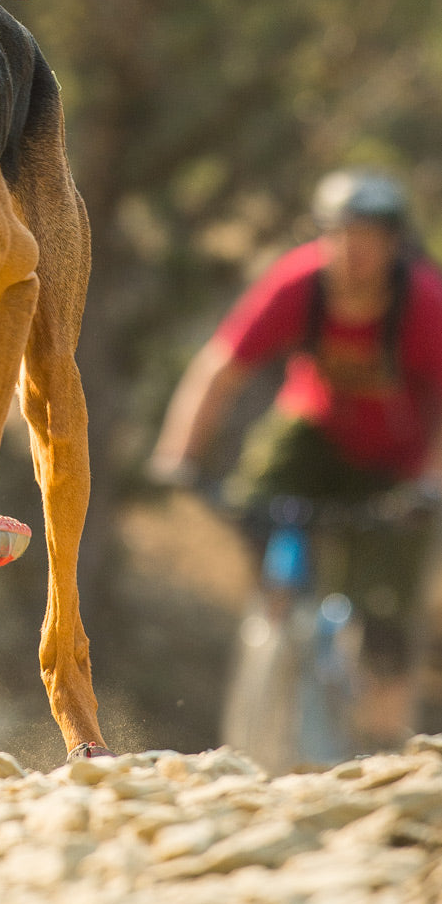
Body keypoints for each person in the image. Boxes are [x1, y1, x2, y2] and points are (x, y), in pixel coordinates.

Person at [149, 168, 442, 751]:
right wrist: (179, 455)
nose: (354, 252)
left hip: (398, 463)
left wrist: (430, 484)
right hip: (314, 433)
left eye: (371, 238)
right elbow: (220, 368)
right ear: (324, 236)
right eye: (343, 235)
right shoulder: (298, 285)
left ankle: (383, 743)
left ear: (395, 245)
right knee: (258, 497)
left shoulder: (425, 303)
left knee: (384, 609)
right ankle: (279, 616)